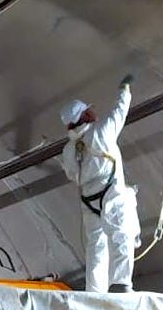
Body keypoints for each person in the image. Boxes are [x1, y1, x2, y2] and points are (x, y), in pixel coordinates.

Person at [60, 76, 141, 293]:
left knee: (96, 248)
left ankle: (94, 292)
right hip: (111, 193)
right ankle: (121, 284)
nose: (93, 112)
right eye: (89, 110)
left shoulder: (68, 150)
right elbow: (120, 112)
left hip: (88, 201)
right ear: (85, 115)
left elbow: (72, 175)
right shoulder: (101, 132)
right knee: (120, 235)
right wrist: (125, 90)